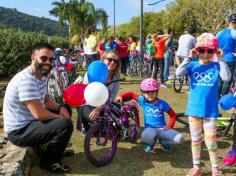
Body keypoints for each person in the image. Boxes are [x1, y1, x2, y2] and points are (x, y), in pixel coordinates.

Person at [2, 42, 73, 174]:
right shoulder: (26, 80)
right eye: (44, 58)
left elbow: (45, 100)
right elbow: (39, 114)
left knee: (65, 108)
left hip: (29, 122)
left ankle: (56, 150)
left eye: (51, 59)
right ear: (33, 58)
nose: (48, 62)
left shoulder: (40, 76)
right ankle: (49, 162)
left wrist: (61, 107)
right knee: (64, 124)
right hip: (19, 132)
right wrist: (61, 118)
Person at [176, 33, 231, 176]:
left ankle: (215, 168)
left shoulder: (216, 65)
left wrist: (221, 59)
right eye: (202, 50)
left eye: (210, 51)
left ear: (215, 51)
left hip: (210, 111)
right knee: (195, 140)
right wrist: (189, 57)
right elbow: (178, 73)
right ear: (197, 51)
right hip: (194, 110)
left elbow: (227, 77)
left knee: (211, 141)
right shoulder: (193, 65)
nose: (206, 54)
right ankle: (196, 167)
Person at [116, 78, 183, 153]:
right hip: (150, 129)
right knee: (145, 137)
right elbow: (131, 94)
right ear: (143, 93)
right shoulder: (143, 101)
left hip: (162, 129)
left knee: (179, 138)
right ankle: (151, 143)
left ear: (156, 92)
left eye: (153, 92)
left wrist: (170, 125)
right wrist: (121, 96)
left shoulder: (162, 103)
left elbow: (173, 115)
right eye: (147, 93)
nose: (150, 95)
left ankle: (163, 142)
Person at [77, 50, 120, 132]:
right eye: (110, 59)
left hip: (104, 106)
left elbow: (111, 98)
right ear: (103, 59)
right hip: (88, 104)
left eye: (115, 61)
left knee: (115, 120)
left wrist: (99, 108)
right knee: (97, 124)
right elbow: (85, 93)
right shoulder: (92, 73)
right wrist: (94, 108)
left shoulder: (115, 80)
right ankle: (85, 124)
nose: (112, 62)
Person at [217, 13, 236, 97]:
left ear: (229, 22)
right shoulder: (234, 33)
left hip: (220, 58)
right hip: (230, 59)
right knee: (228, 80)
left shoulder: (219, 33)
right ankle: (223, 98)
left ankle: (216, 98)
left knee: (220, 79)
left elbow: (216, 46)